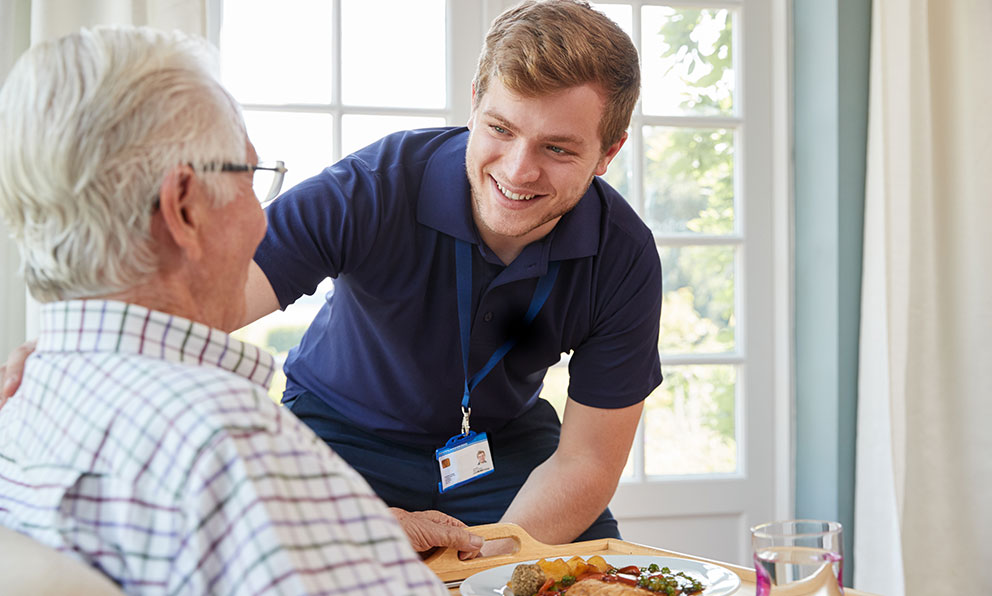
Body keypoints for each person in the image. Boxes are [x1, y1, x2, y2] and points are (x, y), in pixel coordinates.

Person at [2, 0, 662, 547]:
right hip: (339, 434)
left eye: (557, 148)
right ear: (474, 102)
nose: (518, 171)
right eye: (499, 128)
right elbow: (205, 299)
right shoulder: (371, 188)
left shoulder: (624, 253)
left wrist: (483, 560)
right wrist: (70, 352)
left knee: (586, 573)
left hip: (499, 449)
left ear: (608, 152)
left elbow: (587, 460)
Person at [0, 25, 477, 594]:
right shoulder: (232, 445)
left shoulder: (23, 400)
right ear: (184, 207)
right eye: (249, 178)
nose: (261, 219)